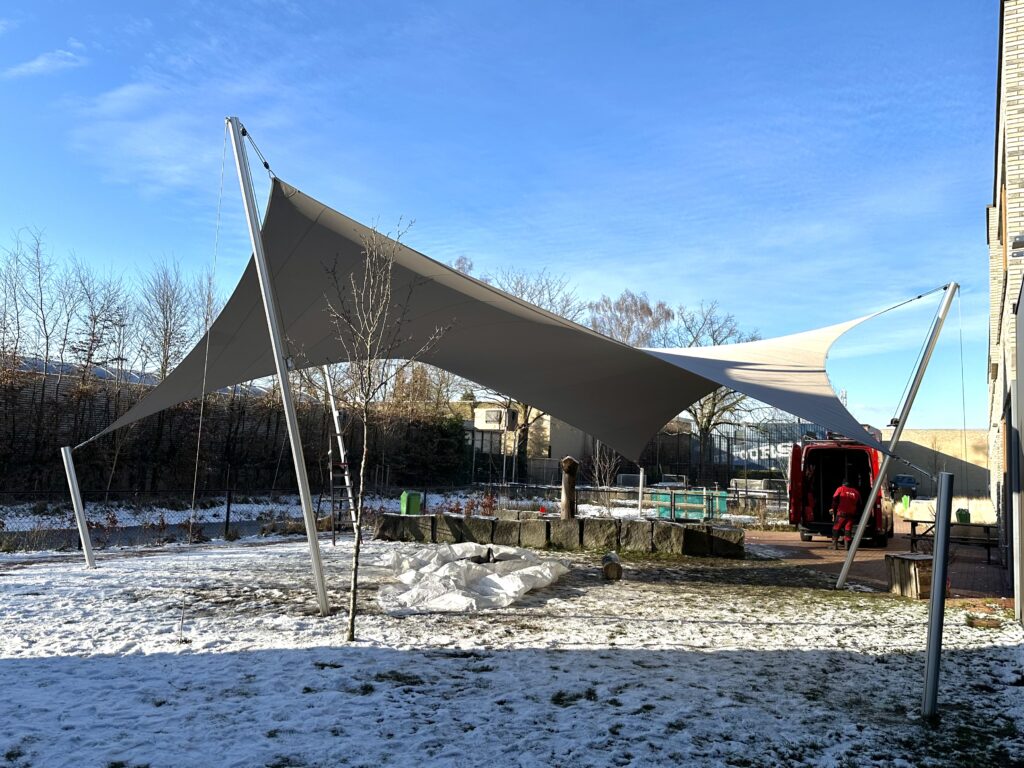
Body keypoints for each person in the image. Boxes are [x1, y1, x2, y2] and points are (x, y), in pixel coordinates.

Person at [830, 478, 861, 550]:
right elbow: (859, 504)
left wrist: (833, 508)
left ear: (843, 484)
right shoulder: (856, 492)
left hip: (841, 514)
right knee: (848, 530)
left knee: (836, 528)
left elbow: (834, 498)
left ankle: (834, 545)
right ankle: (847, 546)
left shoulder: (840, 489)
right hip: (851, 515)